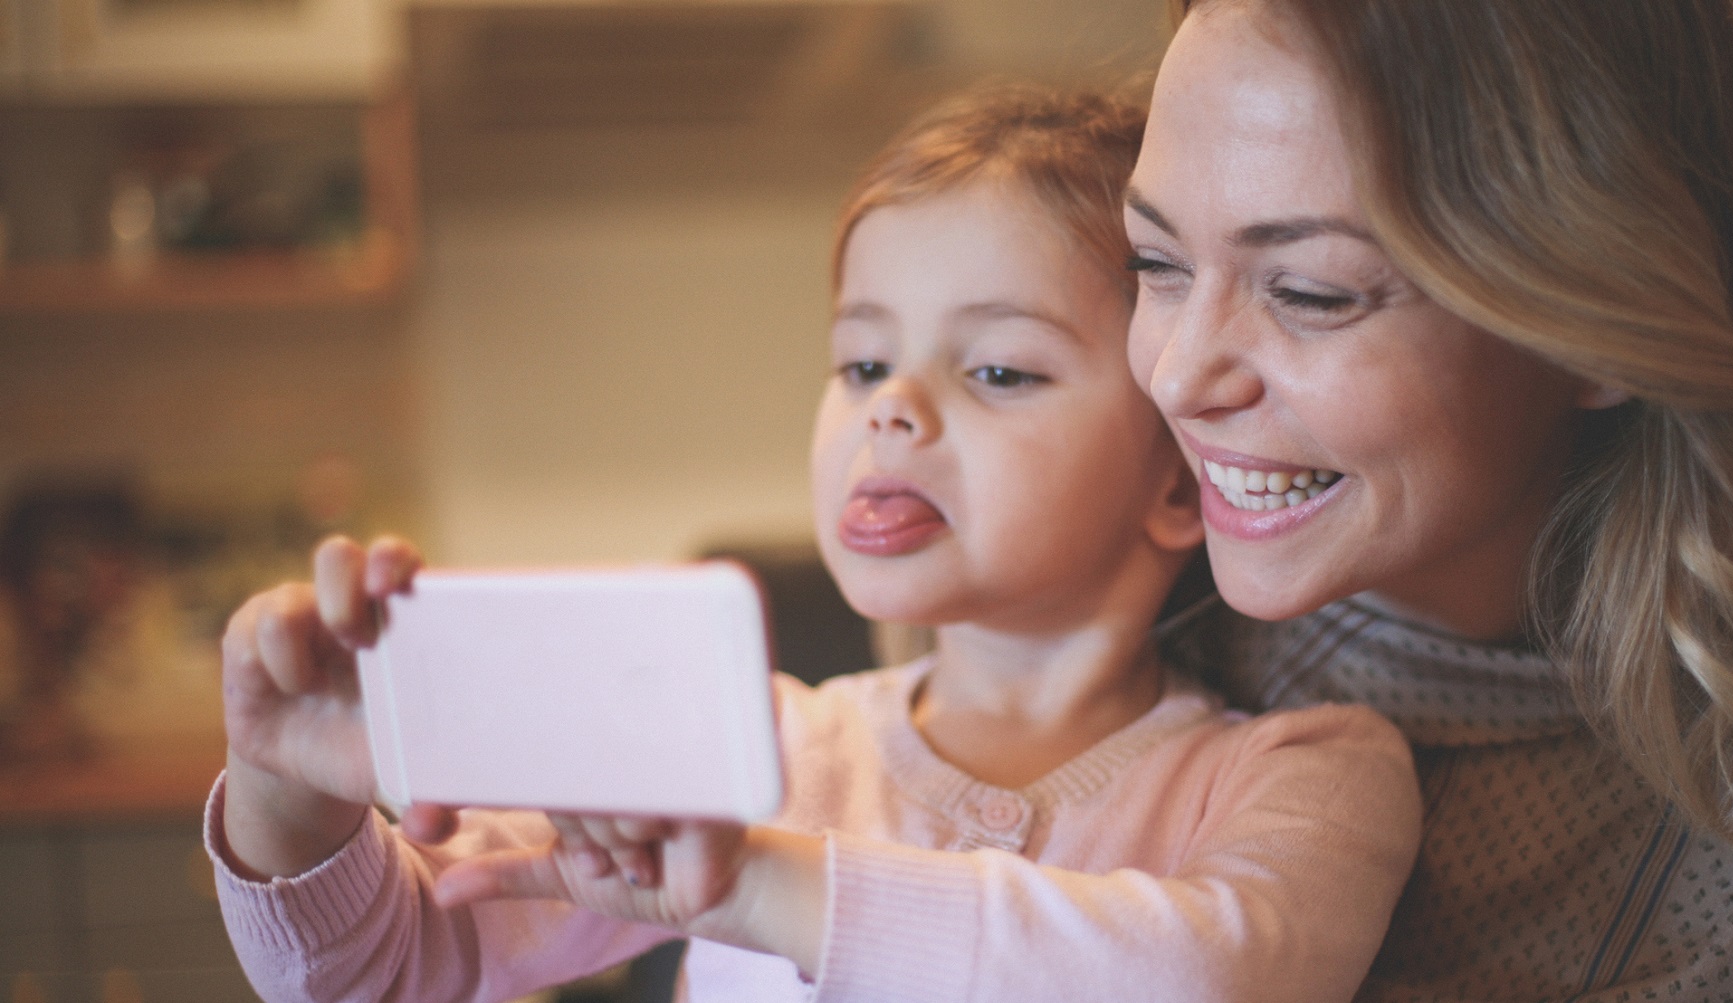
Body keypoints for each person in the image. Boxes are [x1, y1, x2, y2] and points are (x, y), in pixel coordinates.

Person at [207, 87, 1422, 1003]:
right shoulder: (747, 746)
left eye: (998, 366)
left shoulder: (1310, 774)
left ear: (1178, 476)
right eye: (860, 359)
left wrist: (754, 887)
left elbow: (1212, 975)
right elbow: (397, 959)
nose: (891, 405)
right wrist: (288, 792)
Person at [1124, 1, 1733, 1000]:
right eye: (1155, 263)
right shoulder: (1080, 617)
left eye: (1313, 292)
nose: (1178, 375)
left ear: (1595, 323)